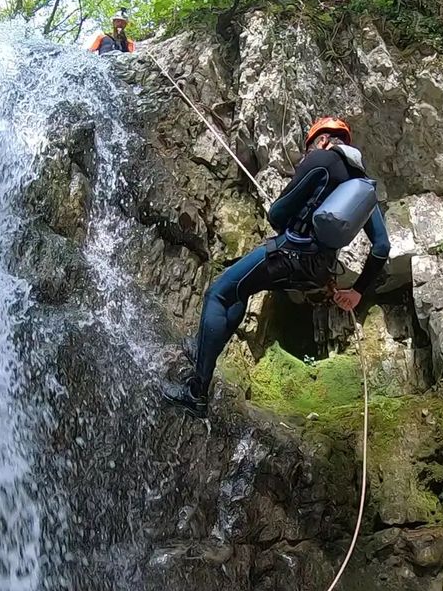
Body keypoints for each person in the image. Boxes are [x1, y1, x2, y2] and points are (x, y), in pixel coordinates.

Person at [162, 117, 391, 418]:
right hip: (317, 272)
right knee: (240, 289)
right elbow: (382, 246)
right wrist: (358, 291)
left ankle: (196, 394)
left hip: (289, 255)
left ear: (322, 140)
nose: (308, 153)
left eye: (309, 147)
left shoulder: (321, 161)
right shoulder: (362, 185)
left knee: (218, 294)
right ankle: (204, 348)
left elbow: (277, 214)